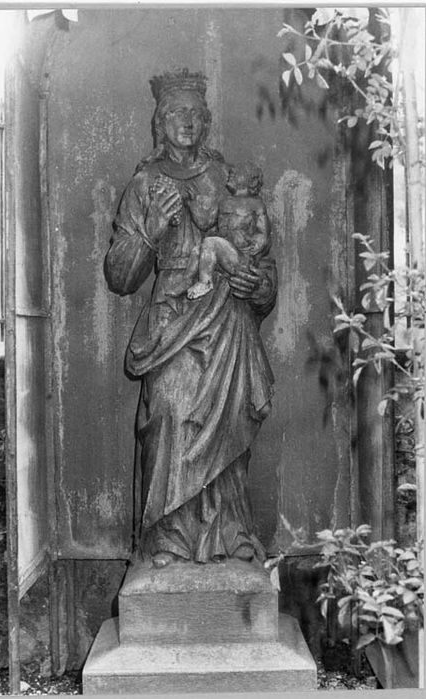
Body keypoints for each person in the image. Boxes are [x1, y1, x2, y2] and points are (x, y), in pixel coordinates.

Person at [104, 68, 277, 568]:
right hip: (173, 318)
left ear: (206, 121)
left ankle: (229, 534)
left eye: (195, 113)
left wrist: (259, 286)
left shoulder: (227, 179)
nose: (187, 121)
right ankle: (166, 539)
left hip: (226, 315)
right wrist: (152, 230)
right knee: (168, 411)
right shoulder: (145, 183)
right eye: (177, 112)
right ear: (161, 121)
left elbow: (261, 257)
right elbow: (120, 275)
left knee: (229, 422)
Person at [187, 161, 271, 300]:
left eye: (235, 174)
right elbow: (205, 223)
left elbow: (263, 231)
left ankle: (205, 283)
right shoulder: (224, 202)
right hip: (225, 254)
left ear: (249, 180)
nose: (229, 176)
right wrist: (192, 204)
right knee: (197, 250)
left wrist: (258, 242)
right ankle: (186, 281)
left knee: (210, 243)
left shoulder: (256, 204)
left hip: (241, 258)